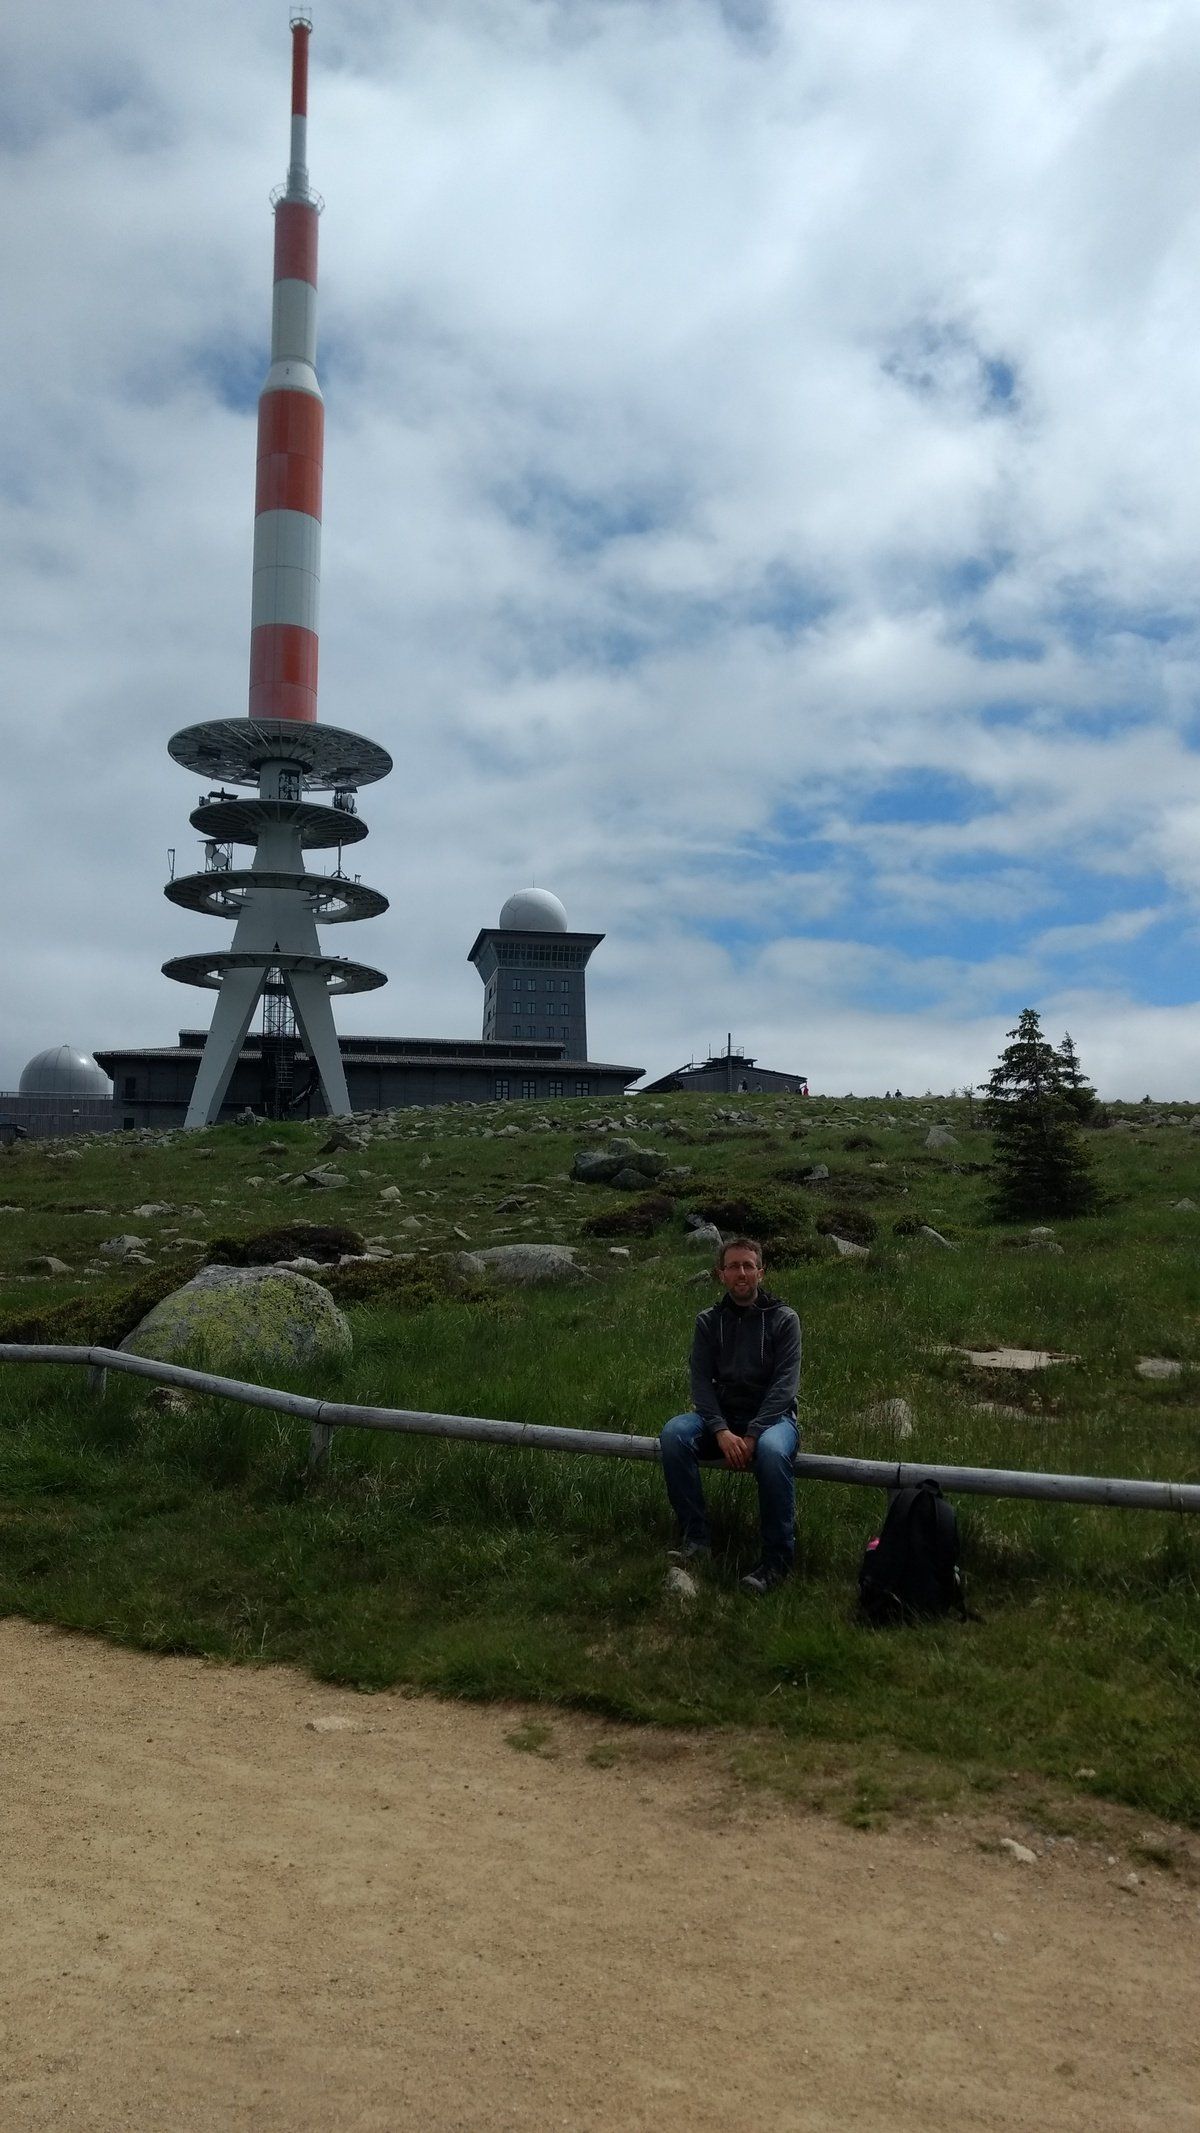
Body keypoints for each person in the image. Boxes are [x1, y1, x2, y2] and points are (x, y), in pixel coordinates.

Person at [660, 1237, 801, 1595]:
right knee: (674, 1435)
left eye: (748, 1266)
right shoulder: (708, 1321)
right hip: (722, 1420)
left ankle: (776, 1561)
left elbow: (784, 1387)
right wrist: (721, 1431)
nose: (741, 1273)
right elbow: (700, 1383)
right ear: (721, 1274)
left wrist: (752, 1435)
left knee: (772, 1452)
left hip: (774, 1421)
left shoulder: (784, 1320)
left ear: (761, 1272)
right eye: (733, 1266)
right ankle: (697, 1540)